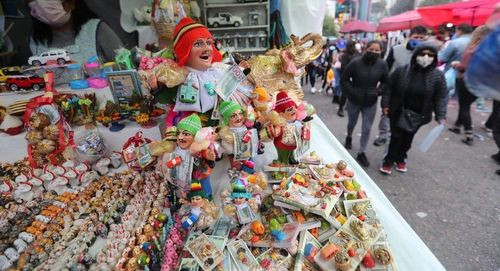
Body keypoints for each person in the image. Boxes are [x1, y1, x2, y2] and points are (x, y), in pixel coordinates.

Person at [379, 44, 447, 174]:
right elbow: (388, 88)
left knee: (407, 138)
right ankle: (388, 161)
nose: (426, 57)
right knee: (396, 137)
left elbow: (441, 97)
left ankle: (401, 158)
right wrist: (385, 105)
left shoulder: (437, 76)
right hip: (398, 111)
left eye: (430, 55)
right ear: (416, 55)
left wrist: (441, 116)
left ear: (435, 58)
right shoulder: (402, 71)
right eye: (422, 54)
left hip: (419, 115)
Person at [373, 26, 427, 147]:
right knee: (386, 113)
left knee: (405, 115)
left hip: (412, 92)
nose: (418, 40)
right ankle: (382, 136)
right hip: (394, 89)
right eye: (416, 37)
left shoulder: (425, 55)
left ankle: (396, 138)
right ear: (409, 37)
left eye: (421, 38)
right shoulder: (396, 50)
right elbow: (386, 68)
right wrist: (383, 86)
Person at [27, 0, 123, 64]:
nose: (47, 12)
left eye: (51, 7)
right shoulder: (35, 40)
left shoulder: (97, 29)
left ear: (72, 3)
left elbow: (125, 65)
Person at [341, 40, 388, 167]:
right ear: (365, 49)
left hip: (371, 102)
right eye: (371, 49)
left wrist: (378, 92)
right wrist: (352, 91)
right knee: (352, 123)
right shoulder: (356, 62)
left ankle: (362, 152)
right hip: (354, 100)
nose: (374, 52)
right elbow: (344, 78)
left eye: (377, 50)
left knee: (367, 128)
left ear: (381, 51)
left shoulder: (382, 65)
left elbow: (385, 81)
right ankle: (349, 137)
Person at [447, 25, 488, 145]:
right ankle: (457, 125)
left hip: (467, 80)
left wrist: (456, 65)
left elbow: (465, 67)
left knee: (464, 107)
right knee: (466, 104)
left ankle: (469, 135)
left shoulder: (473, 49)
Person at [336, 40, 359, 117]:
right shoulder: (345, 56)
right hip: (346, 78)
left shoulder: (357, 54)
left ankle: (348, 106)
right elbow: (344, 67)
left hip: (354, 77)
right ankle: (340, 108)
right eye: (351, 46)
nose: (353, 48)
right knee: (344, 94)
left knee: (352, 93)